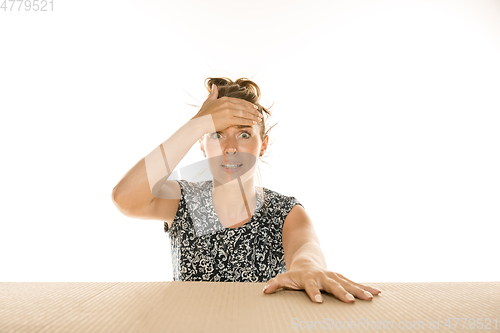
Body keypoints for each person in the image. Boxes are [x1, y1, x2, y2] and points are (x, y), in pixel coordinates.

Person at [112, 77, 381, 303]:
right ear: (202, 144)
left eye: (243, 134)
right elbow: (125, 197)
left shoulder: (286, 212)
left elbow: (306, 252)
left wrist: (309, 268)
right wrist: (197, 124)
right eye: (217, 134)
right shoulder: (183, 200)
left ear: (262, 144)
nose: (229, 148)